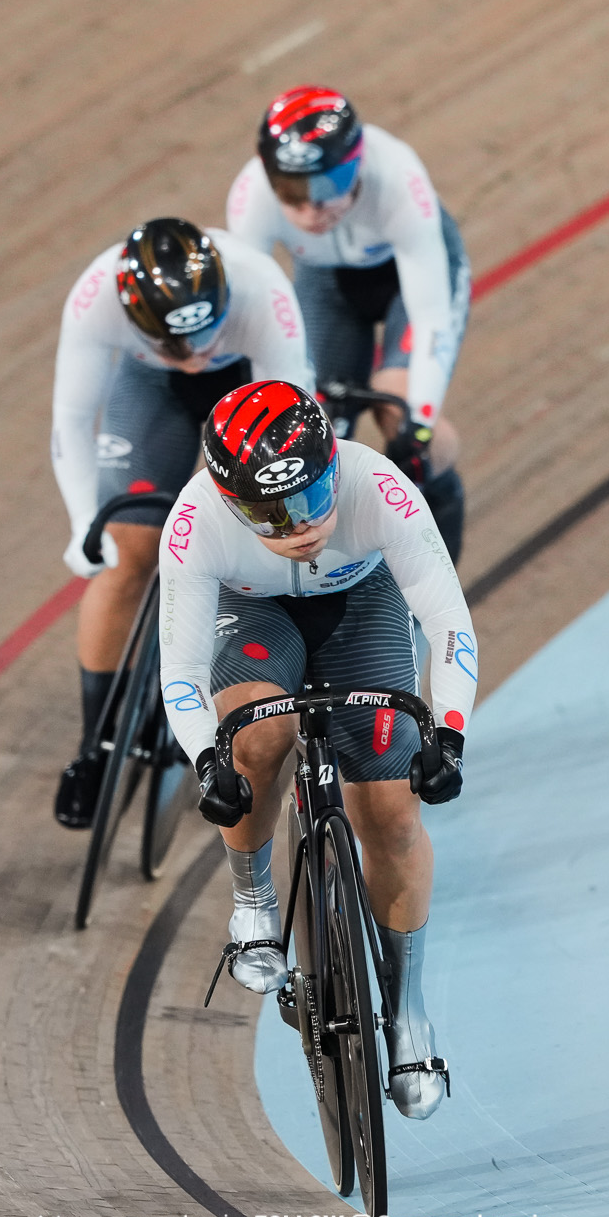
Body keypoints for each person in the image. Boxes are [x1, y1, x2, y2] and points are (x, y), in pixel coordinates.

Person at [157, 379, 475, 1119]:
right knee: (257, 735)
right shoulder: (195, 520)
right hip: (254, 611)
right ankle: (254, 898)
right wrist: (209, 759)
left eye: (311, 497)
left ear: (334, 461)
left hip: (360, 602)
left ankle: (408, 1010)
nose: (300, 527)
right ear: (228, 499)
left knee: (392, 814)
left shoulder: (378, 487)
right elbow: (181, 669)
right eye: (270, 514)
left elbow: (450, 623)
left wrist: (449, 733)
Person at [51, 218, 314, 828]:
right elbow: (70, 420)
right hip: (153, 390)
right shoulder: (96, 298)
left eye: (201, 338)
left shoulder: (262, 291)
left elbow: (294, 425)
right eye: (176, 345)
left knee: (254, 539)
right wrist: (83, 523)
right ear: (137, 322)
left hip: (249, 386)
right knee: (126, 554)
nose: (194, 356)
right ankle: (94, 746)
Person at [225, 86, 471, 562]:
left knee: (398, 409)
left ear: (356, 165)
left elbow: (431, 317)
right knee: (306, 431)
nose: (309, 211)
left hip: (407, 282)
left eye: (325, 188)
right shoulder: (251, 197)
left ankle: (440, 569)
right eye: (292, 194)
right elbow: (258, 319)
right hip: (327, 286)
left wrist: (418, 427)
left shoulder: (397, 177)